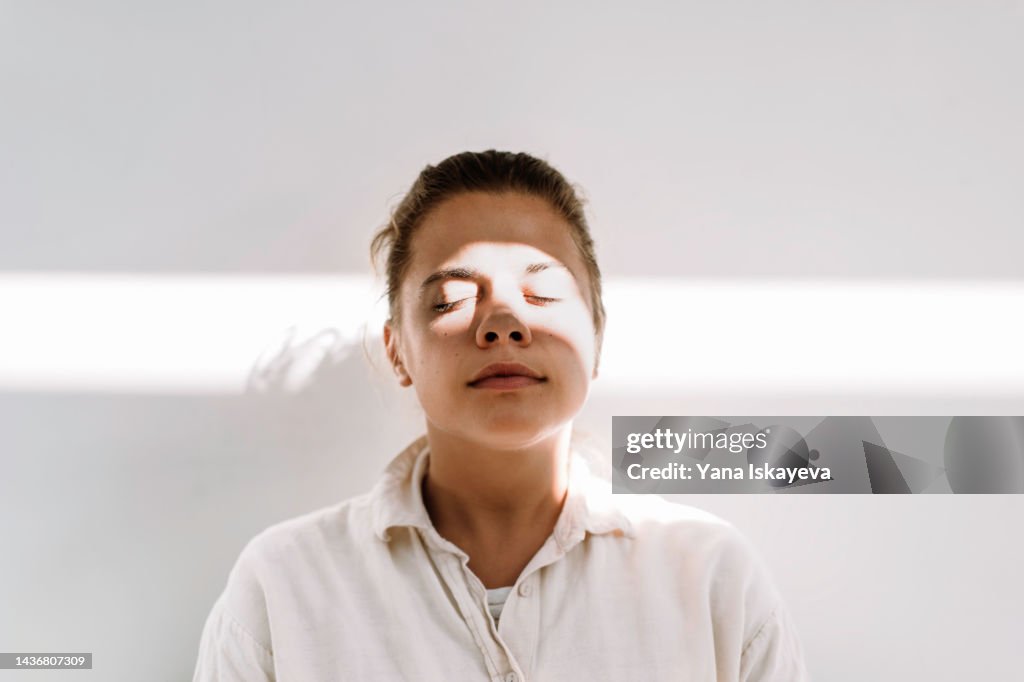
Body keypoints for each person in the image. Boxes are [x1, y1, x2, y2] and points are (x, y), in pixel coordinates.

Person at [192, 150, 811, 681]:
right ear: (397, 350)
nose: (503, 323)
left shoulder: (709, 577)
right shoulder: (283, 586)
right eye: (454, 299)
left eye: (542, 292)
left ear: (597, 335)